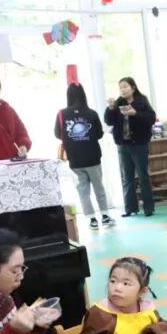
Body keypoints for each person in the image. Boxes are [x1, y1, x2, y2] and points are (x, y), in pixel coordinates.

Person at [76, 257, 167, 334]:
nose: (117, 288)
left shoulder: (147, 310)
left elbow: (164, 328)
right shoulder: (100, 313)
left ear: (142, 292)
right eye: (113, 281)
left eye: (126, 283)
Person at [55, 83, 113, 230]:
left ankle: (92, 219)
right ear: (83, 95)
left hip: (75, 159)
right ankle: (105, 216)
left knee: (83, 191)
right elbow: (99, 134)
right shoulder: (91, 113)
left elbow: (57, 134)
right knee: (99, 188)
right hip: (93, 157)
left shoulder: (62, 114)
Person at [104, 77, 157, 218]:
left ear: (133, 88)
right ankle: (130, 208)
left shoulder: (141, 101)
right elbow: (109, 121)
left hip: (139, 144)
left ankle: (148, 208)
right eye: (120, 87)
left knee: (143, 176)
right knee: (126, 177)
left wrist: (135, 113)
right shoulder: (118, 103)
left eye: (125, 86)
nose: (123, 90)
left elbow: (151, 118)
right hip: (123, 145)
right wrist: (110, 108)